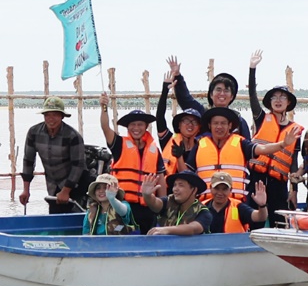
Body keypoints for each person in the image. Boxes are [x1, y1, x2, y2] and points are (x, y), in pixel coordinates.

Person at [193, 106, 295, 203]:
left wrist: (283, 144)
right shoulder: (199, 144)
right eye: (215, 123)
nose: (219, 127)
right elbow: (187, 170)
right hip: (206, 202)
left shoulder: (241, 143)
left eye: (223, 123)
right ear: (210, 125)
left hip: (235, 202)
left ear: (230, 126)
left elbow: (263, 149)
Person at [246, 51, 304, 216]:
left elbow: (293, 163)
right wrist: (252, 69)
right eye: (274, 98)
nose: (278, 100)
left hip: (279, 183)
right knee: (253, 220)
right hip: (256, 179)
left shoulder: (295, 130)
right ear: (270, 102)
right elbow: (252, 97)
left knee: (279, 221)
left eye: (282, 97)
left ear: (289, 102)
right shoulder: (261, 118)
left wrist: (293, 191)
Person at [98, 92, 163, 231]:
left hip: (148, 206)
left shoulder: (154, 150)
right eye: (132, 125)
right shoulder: (119, 144)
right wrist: (104, 107)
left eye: (140, 125)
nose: (136, 128)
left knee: (148, 239)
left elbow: (161, 178)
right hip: (123, 204)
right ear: (127, 127)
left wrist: (163, 203)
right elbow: (105, 127)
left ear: (146, 127)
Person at [19, 97, 87, 213]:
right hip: (53, 183)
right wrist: (26, 190)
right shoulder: (34, 132)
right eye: (47, 115)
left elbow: (78, 165)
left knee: (76, 217)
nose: (51, 119)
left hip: (76, 182)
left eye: (55, 115)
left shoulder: (72, 135)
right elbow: (28, 161)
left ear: (62, 116)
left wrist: (66, 191)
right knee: (55, 215)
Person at [170, 56, 252, 138]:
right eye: (218, 90)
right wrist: (177, 76)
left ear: (232, 97)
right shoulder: (202, 114)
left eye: (226, 90)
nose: (222, 93)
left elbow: (248, 146)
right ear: (211, 94)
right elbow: (186, 100)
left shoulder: (239, 121)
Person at [139, 171, 214, 236]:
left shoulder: (203, 211)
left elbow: (193, 228)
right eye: (175, 185)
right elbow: (154, 203)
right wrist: (147, 195)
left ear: (194, 190)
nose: (175, 189)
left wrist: (166, 230)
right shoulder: (168, 201)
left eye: (181, 185)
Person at [204, 172, 270, 233]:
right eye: (217, 188)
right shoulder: (201, 207)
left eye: (224, 189)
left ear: (230, 190)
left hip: (233, 245)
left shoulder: (238, 207)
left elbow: (260, 217)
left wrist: (262, 205)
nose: (220, 193)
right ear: (210, 188)